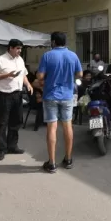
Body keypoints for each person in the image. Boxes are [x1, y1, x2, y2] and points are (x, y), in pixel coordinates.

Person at [37, 32, 83, 173]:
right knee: (68, 126)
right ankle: (68, 159)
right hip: (67, 95)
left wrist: (44, 81)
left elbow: (40, 76)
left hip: (51, 95)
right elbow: (80, 74)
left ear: (54, 42)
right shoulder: (73, 55)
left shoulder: (47, 55)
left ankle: (52, 163)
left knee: (52, 127)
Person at [0, 39, 33, 161]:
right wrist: (7, 75)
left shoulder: (20, 60)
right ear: (10, 48)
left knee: (16, 120)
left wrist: (28, 84)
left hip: (17, 94)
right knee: (2, 122)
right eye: (17, 48)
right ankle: (2, 149)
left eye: (20, 49)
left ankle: (12, 146)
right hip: (3, 95)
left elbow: (23, 74)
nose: (19, 51)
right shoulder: (0, 60)